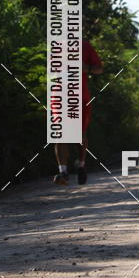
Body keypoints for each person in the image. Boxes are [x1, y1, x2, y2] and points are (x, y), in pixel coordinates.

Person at [54, 37, 103, 186]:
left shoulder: (85, 46)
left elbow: (99, 69)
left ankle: (81, 166)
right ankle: (63, 173)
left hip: (80, 96)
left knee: (80, 136)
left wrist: (86, 68)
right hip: (59, 95)